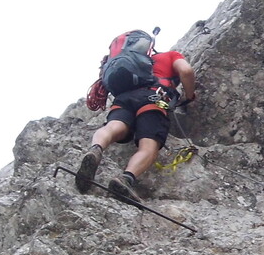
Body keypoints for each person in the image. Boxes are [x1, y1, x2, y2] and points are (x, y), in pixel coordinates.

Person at [75, 44, 196, 201]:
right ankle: (126, 179)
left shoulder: (130, 64)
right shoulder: (170, 55)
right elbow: (186, 71)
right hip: (153, 99)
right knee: (148, 147)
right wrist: (189, 96)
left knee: (113, 127)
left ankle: (96, 150)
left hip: (123, 99)